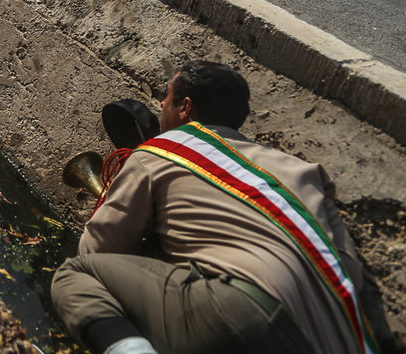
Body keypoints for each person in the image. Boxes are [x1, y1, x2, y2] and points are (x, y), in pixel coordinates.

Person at [51, 61, 383, 354]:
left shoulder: (161, 149)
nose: (162, 105)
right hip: (336, 336)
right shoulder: (304, 172)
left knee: (76, 275)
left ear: (185, 107)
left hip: (240, 313)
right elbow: (350, 270)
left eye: (165, 98)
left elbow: (96, 254)